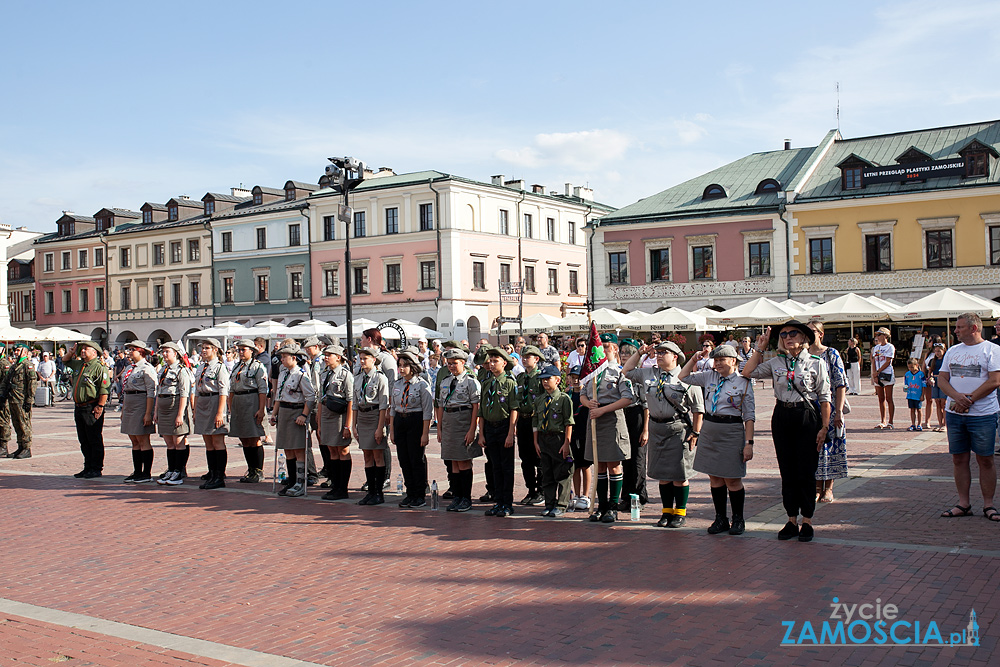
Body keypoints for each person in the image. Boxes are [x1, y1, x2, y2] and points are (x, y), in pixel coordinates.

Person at [742, 320, 831, 542]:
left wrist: (824, 427)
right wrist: (760, 347)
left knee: (806, 469)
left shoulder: (816, 363)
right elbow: (747, 371)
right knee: (787, 469)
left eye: (793, 333)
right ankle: (791, 519)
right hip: (782, 415)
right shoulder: (776, 362)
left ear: (804, 338)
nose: (788, 337)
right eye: (783, 335)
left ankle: (807, 520)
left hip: (806, 416)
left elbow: (825, 397)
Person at [623, 340, 704, 527]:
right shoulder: (648, 373)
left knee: (679, 474)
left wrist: (696, 432)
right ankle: (666, 511)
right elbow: (626, 371)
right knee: (663, 474)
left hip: (678, 429)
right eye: (657, 352)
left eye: (664, 353)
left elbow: (698, 409)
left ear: (675, 357)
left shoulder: (686, 377)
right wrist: (639, 353)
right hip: (656, 428)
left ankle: (680, 512)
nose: (659, 355)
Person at [679, 344, 755, 535]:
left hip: (731, 430)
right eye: (716, 360)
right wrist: (694, 359)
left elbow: (749, 416)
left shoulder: (744, 382)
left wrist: (749, 444)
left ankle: (738, 519)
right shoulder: (709, 376)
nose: (718, 363)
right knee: (714, 477)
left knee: (732, 478)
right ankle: (721, 518)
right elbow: (683, 376)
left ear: (733, 361)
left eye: (722, 359)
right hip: (710, 429)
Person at [936, 313, 1000, 521]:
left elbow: (994, 381)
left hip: (983, 414)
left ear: (974, 328)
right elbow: (942, 379)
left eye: (960, 327)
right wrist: (957, 398)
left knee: (986, 459)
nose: (955, 330)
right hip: (955, 414)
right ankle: (964, 503)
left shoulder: (992, 350)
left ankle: (988, 504)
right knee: (959, 458)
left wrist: (968, 400)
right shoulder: (952, 351)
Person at [580, 336, 635, 524]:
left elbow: (628, 398)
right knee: (599, 464)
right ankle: (601, 505)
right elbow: (582, 395)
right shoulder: (592, 372)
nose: (601, 351)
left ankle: (613, 506)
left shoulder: (619, 372)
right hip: (595, 419)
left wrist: (602, 409)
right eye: (599, 347)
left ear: (614, 349)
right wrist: (589, 403)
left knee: (613, 464)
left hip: (611, 418)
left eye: (605, 347)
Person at [808, 321, 849, 504]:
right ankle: (817, 487)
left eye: (813, 331)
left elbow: (840, 383)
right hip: (810, 410)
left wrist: (839, 411)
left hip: (830, 408)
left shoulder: (831, 354)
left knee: (830, 447)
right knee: (814, 447)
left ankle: (829, 488)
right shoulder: (802, 355)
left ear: (821, 334)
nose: (809, 335)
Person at [436, 347, 481, 512]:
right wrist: (439, 428)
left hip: (463, 420)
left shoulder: (470, 381)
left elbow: (476, 407)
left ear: (463, 363)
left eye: (455, 363)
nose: (451, 366)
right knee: (453, 460)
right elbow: (441, 405)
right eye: (449, 363)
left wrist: (472, 430)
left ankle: (466, 498)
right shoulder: (446, 381)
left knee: (463, 460)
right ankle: (457, 496)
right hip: (449, 421)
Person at [270, 343, 315, 497]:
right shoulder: (283, 373)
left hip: (296, 412)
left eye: (284, 356)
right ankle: (292, 480)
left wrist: (304, 415)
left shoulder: (301, 375)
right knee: (287, 448)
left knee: (298, 449)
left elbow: (310, 397)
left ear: (294, 358)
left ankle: (300, 482)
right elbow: (278, 396)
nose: (281, 359)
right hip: (284, 411)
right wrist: (274, 414)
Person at [478, 347, 519, 517]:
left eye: (496, 361)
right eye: (490, 361)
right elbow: (481, 411)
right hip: (489, 427)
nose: (492, 364)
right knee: (495, 467)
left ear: (504, 363)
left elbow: (514, 409)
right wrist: (481, 434)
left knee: (506, 467)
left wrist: (511, 433)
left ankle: (507, 503)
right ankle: (498, 501)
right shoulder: (487, 383)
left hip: (503, 427)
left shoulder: (510, 382)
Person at [390, 349, 433, 507]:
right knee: (404, 459)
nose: (401, 369)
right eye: (399, 365)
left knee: (416, 459)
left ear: (412, 367)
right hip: (400, 421)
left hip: (415, 420)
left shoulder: (422, 385)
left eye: (404, 366)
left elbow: (427, 411)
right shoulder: (397, 384)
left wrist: (425, 433)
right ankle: (410, 492)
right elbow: (393, 408)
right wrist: (393, 430)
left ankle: (419, 494)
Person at [533, 364, 575, 517]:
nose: (545, 382)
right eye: (542, 379)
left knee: (562, 473)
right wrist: (536, 442)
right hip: (544, 439)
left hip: (558, 438)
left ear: (557, 380)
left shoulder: (563, 399)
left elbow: (568, 422)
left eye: (548, 379)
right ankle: (549, 503)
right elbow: (535, 422)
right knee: (547, 473)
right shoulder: (540, 400)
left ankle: (562, 505)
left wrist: (566, 443)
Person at [64, 341, 111, 478]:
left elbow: (104, 389)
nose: (82, 351)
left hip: (91, 406)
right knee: (83, 439)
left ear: (94, 352)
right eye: (82, 349)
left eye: (86, 349)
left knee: (94, 439)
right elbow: (65, 361)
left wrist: (100, 406)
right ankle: (87, 466)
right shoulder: (79, 364)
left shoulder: (99, 367)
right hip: (79, 407)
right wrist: (71, 352)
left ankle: (96, 468)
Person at [353, 346, 391, 505]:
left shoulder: (380, 378)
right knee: (367, 455)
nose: (362, 361)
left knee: (377, 455)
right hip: (362, 417)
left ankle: (378, 492)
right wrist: (354, 425)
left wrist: (380, 427)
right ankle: (370, 491)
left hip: (375, 416)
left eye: (365, 358)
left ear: (374, 360)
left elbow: (384, 405)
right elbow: (354, 403)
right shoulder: (358, 378)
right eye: (360, 358)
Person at [228, 340, 269, 483]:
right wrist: (230, 407)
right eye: (238, 350)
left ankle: (258, 470)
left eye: (243, 349)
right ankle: (250, 469)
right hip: (238, 402)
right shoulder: (236, 367)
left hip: (252, 400)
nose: (240, 352)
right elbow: (231, 388)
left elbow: (263, 389)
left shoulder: (258, 367)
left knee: (254, 437)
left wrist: (261, 409)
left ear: (252, 350)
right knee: (244, 437)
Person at [192, 338, 230, 490]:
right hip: (202, 402)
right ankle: (212, 472)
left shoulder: (220, 367)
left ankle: (219, 476)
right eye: (202, 348)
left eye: (207, 348)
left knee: (217, 440)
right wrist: (194, 409)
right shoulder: (201, 367)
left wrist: (220, 413)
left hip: (214, 402)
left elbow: (223, 391)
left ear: (215, 350)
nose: (203, 350)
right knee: (207, 441)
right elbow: (196, 389)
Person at [318, 344, 355, 501]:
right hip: (327, 414)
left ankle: (342, 488)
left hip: (340, 415)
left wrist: (348, 425)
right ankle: (335, 486)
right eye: (325, 354)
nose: (326, 357)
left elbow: (351, 400)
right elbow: (320, 398)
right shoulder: (325, 373)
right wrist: (319, 422)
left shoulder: (345, 375)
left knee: (342, 450)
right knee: (331, 449)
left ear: (338, 357)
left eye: (329, 354)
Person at [617, 337, 650, 510]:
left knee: (638, 458)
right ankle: (626, 496)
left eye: (628, 353)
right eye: (622, 352)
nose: (624, 356)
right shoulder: (619, 372)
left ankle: (638, 496)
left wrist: (645, 429)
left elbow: (646, 404)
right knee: (626, 458)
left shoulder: (639, 374)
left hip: (637, 415)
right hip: (623, 414)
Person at [154, 342, 193, 485]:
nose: (164, 354)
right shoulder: (163, 369)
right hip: (163, 407)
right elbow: (158, 391)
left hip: (175, 405)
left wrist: (180, 414)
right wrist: (156, 411)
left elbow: (184, 393)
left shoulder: (181, 370)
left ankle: (178, 471)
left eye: (167, 352)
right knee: (169, 442)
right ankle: (171, 469)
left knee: (178, 441)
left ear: (175, 353)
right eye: (163, 352)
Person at [119, 341, 158, 483]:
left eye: (132, 350)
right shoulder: (130, 367)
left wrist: (148, 413)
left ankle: (146, 473)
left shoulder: (147, 368)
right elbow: (125, 390)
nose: (129, 352)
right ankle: (137, 471)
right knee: (134, 439)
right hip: (129, 402)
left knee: (143, 439)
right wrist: (123, 409)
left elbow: (151, 392)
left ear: (141, 351)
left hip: (141, 402)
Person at [515, 345, 545, 506]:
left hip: (537, 421)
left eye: (528, 356)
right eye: (523, 356)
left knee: (538, 456)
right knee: (525, 458)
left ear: (536, 359)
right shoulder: (520, 378)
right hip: (523, 420)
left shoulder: (540, 377)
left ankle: (541, 490)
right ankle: (530, 490)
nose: (525, 359)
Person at [3, 344, 37, 460]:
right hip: (13, 399)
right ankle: (20, 446)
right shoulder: (14, 366)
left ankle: (27, 448)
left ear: (24, 352)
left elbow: (32, 384)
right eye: (15, 350)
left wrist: (29, 400)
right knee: (17, 424)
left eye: (18, 350)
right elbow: (7, 382)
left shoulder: (28, 365)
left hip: (22, 400)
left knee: (24, 424)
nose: (16, 352)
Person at [871, 327, 896, 429]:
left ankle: (890, 421)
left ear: (885, 336)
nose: (877, 337)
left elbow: (888, 361)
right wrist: (874, 374)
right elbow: (874, 361)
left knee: (889, 398)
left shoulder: (890, 347)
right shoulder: (876, 348)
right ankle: (883, 420)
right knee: (880, 398)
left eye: (879, 335)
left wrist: (878, 371)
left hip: (887, 374)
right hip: (878, 374)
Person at [926, 342, 947, 431]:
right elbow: (930, 371)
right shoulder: (933, 361)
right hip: (935, 380)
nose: (937, 353)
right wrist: (930, 377)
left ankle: (945, 424)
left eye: (939, 351)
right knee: (937, 402)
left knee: (944, 403)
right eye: (936, 351)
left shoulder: (946, 360)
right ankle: (940, 423)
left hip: (943, 380)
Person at [904, 359, 926, 432]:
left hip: (918, 394)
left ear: (916, 365)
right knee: (912, 409)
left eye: (912, 367)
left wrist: (922, 395)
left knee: (919, 409)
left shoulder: (921, 374)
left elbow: (923, 385)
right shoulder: (907, 374)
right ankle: (913, 424)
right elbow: (906, 384)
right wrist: (905, 389)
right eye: (909, 367)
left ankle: (919, 424)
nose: (911, 369)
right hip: (910, 395)